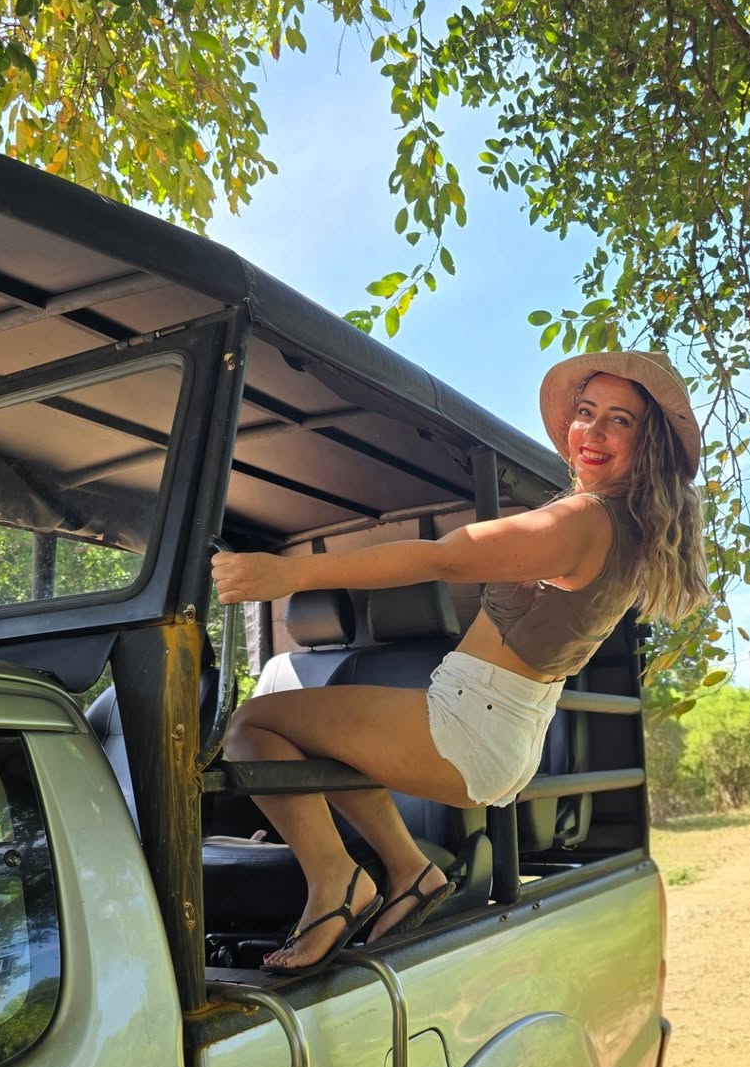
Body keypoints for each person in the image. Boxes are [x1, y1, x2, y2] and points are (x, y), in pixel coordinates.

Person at [211, 350, 709, 972]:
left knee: (250, 727)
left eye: (620, 420)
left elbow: (443, 559)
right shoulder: (628, 529)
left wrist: (287, 573)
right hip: (495, 727)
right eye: (586, 413)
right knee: (312, 734)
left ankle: (337, 884)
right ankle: (408, 870)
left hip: (470, 724)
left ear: (650, 443)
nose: (594, 432)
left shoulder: (585, 518)